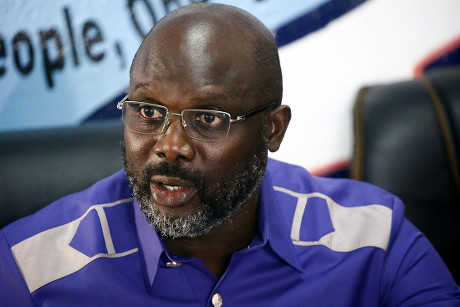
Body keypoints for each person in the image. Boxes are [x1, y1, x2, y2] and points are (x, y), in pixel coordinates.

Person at [0, 3, 459, 306]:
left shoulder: (373, 239)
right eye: (147, 110)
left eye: (208, 118)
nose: (169, 146)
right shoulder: (30, 268)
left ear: (272, 129)